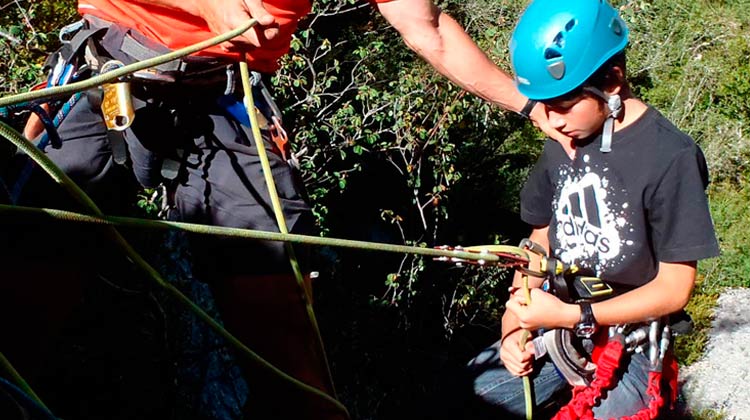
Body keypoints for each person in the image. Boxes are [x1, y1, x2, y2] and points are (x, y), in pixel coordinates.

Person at [0, 0, 564, 419]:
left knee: (284, 328)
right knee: (24, 295)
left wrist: (532, 105)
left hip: (224, 96)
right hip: (110, 65)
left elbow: (429, 28)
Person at [465, 0, 720, 418]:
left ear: (613, 81)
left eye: (562, 105)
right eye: (542, 105)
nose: (549, 119)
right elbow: (538, 240)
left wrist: (573, 315)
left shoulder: (670, 157)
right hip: (557, 319)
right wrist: (514, 323)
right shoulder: (563, 139)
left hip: (631, 342)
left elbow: (674, 289)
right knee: (464, 395)